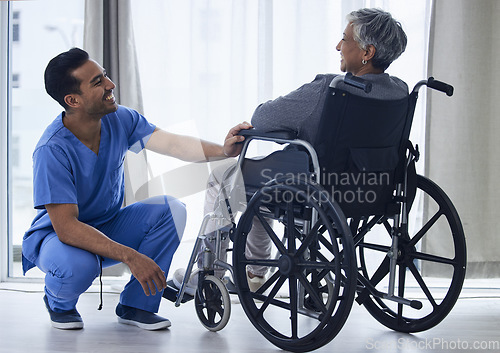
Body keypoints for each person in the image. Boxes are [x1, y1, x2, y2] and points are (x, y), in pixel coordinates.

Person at [173, 8, 409, 294]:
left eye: (344, 39)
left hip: (318, 188)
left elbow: (262, 118)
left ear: (367, 52)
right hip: (369, 190)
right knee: (262, 184)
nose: (338, 46)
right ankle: (254, 274)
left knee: (224, 178)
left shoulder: (330, 88)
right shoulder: (399, 92)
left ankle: (211, 270)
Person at [22, 47, 251, 331]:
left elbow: (172, 144)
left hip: (109, 224)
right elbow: (67, 228)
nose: (110, 85)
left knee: (170, 209)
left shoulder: (119, 119)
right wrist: (131, 256)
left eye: (103, 75)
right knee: (78, 267)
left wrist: (224, 150)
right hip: (61, 238)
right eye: (97, 82)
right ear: (73, 100)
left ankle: (136, 305)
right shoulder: (51, 150)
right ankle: (58, 302)